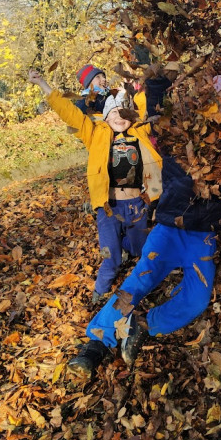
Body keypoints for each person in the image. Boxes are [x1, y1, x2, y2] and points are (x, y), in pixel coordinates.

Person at [66, 76, 221, 376]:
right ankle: (96, 344)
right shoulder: (174, 141)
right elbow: (156, 114)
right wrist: (155, 78)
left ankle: (144, 325)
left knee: (197, 298)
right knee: (138, 283)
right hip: (168, 232)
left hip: (202, 238)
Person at [27, 70, 163, 302]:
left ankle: (131, 257)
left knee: (140, 249)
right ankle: (99, 292)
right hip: (108, 207)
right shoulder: (95, 134)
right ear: (105, 117)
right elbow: (70, 113)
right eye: (114, 113)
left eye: (124, 113)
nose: (119, 117)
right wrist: (43, 84)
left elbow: (147, 106)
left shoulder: (139, 130)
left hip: (137, 206)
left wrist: (140, 83)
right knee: (110, 258)